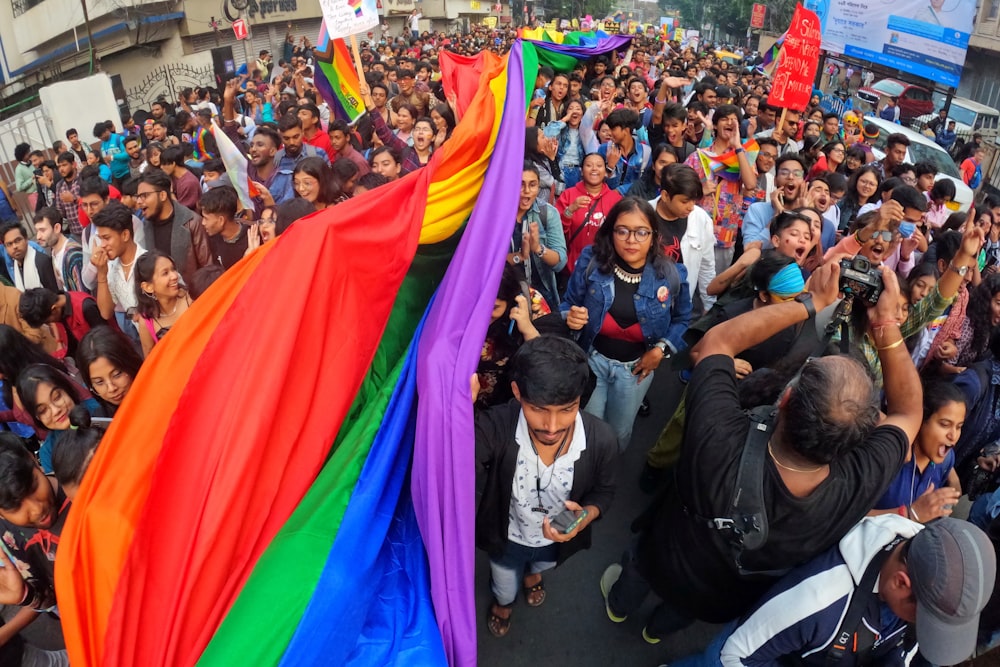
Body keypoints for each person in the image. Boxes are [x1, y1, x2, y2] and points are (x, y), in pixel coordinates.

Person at [601, 259, 923, 642]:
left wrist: (810, 302)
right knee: (680, 614)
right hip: (722, 596)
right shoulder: (858, 482)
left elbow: (716, 343)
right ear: (863, 434)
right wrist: (886, 326)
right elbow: (908, 412)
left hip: (666, 555)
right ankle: (655, 631)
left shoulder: (719, 434)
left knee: (635, 576)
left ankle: (619, 606)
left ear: (785, 397)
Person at [674, 516, 995, 667]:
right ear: (901, 583)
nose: (925, 631)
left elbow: (906, 647)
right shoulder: (819, 598)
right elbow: (733, 654)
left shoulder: (924, 549)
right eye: (926, 622)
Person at [474, 335, 617, 638]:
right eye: (539, 409)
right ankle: (503, 602)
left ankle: (532, 576)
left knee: (539, 565)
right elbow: (454, 462)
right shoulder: (494, 427)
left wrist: (585, 516)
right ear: (516, 392)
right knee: (503, 582)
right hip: (506, 538)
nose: (552, 427)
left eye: (567, 409)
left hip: (554, 544)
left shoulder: (602, 440)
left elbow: (603, 494)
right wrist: (459, 409)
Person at [561, 197, 691, 449]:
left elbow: (683, 318)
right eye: (623, 231)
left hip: (635, 371)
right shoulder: (592, 261)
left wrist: (661, 349)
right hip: (592, 361)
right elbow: (567, 304)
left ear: (654, 236)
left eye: (641, 232)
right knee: (586, 430)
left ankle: (608, 477)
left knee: (618, 434)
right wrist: (571, 317)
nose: (632, 240)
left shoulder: (671, 273)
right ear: (611, 233)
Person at [687, 104, 757, 273]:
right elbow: (681, 188)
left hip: (725, 234)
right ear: (716, 125)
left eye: (734, 120)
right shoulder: (699, 156)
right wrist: (699, 191)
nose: (730, 123)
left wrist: (738, 146)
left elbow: (750, 184)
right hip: (696, 231)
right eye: (725, 119)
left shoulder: (742, 157)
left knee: (713, 286)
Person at [649, 163, 717, 313]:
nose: (691, 207)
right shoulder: (643, 216)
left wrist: (709, 305)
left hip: (680, 303)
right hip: (647, 302)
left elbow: (707, 265)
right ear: (665, 195)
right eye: (685, 201)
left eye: (694, 200)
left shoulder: (701, 219)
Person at [16, 363, 102, 474]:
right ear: (37, 417)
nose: (56, 410)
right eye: (43, 410)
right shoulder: (48, 453)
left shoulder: (98, 409)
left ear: (67, 390)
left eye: (57, 397)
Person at [136, 171, 211, 288]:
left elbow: (207, 267)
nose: (139, 202)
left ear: (162, 196)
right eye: (138, 197)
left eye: (144, 196)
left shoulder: (191, 222)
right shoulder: (145, 227)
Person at [510, 163, 567, 309]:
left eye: (532, 185)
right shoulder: (497, 216)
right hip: (506, 294)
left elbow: (560, 262)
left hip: (541, 298)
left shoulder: (547, 213)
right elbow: (486, 263)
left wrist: (538, 249)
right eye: (520, 184)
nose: (527, 191)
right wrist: (519, 256)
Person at [555, 153, 622, 272]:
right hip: (572, 267)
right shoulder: (568, 195)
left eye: (599, 165)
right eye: (589, 165)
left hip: (605, 266)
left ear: (605, 170)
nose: (594, 169)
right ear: (581, 171)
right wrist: (570, 210)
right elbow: (557, 233)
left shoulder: (615, 199)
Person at [18, 287, 110, 358]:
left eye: (47, 321)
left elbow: (106, 342)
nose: (50, 323)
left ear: (54, 309)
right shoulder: (59, 310)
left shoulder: (86, 307)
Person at [134, 250, 191, 357]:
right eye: (165, 273)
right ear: (148, 287)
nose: (175, 276)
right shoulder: (147, 321)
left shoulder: (191, 300)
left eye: (173, 269)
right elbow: (151, 360)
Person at [75, 326, 143, 415]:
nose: (111, 388)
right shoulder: (103, 419)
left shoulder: (160, 392)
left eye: (117, 374)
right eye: (99, 382)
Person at [198, 186, 248, 269]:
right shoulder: (210, 239)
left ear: (221, 220)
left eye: (206, 218)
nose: (203, 223)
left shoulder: (252, 239)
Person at [0, 224, 57, 294]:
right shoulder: (16, 264)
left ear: (26, 239)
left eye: (17, 241)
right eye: (9, 244)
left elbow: (55, 294)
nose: (14, 246)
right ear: (5, 248)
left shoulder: (41, 262)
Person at [158, 145, 201, 211]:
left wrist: (171, 192)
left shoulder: (188, 183)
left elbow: (182, 211)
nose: (161, 167)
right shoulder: (173, 176)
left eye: (164, 164)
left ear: (173, 164)